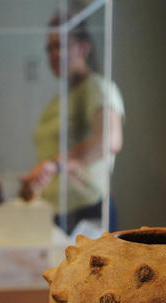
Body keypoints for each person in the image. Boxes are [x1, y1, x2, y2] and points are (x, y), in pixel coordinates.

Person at [21, 14, 124, 235]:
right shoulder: (63, 97)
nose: (53, 55)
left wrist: (56, 164)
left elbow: (110, 140)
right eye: (49, 48)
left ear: (83, 47)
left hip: (86, 212)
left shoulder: (96, 87)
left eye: (60, 46)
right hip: (58, 212)